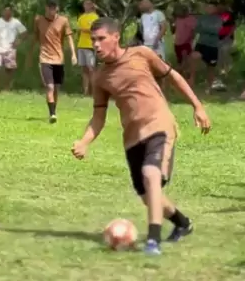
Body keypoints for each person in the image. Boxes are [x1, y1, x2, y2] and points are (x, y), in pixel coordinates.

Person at [71, 17, 211, 256]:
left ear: (116, 37)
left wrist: (197, 106)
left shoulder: (141, 54)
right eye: (93, 40)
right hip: (132, 138)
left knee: (151, 174)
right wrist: (84, 141)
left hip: (160, 126)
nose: (96, 45)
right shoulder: (100, 78)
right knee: (148, 196)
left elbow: (174, 77)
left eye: (101, 39)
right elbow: (98, 117)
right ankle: (183, 223)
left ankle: (153, 241)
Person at [29, 0, 77, 123]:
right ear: (46, 7)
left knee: (56, 88)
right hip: (45, 58)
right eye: (50, 7)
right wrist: (30, 53)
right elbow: (35, 37)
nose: (52, 10)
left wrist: (73, 54)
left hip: (58, 59)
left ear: (57, 8)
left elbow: (69, 38)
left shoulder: (63, 21)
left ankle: (53, 110)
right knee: (49, 87)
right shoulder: (38, 20)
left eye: (54, 7)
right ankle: (52, 114)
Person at [0, 4, 27, 91]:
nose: (7, 12)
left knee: (10, 68)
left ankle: (7, 88)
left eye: (9, 11)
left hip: (10, 49)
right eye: (5, 10)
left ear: (12, 12)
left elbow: (24, 33)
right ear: (2, 12)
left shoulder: (16, 22)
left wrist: (18, 41)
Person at [189, 2, 222, 91]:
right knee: (194, 57)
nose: (209, 9)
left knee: (211, 67)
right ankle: (191, 80)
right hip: (201, 43)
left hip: (213, 46)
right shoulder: (202, 18)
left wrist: (204, 29)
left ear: (215, 9)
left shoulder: (218, 19)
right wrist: (207, 29)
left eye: (211, 7)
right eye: (208, 7)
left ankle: (209, 87)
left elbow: (217, 31)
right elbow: (197, 29)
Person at [76, 0, 99, 95]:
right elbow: (78, 29)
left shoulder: (95, 17)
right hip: (81, 45)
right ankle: (85, 91)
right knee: (84, 69)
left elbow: (94, 30)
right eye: (85, 4)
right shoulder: (81, 17)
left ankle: (94, 91)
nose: (87, 6)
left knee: (91, 69)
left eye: (89, 4)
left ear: (92, 5)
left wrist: (84, 29)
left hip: (90, 45)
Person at [171, 5, 196, 73]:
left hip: (186, 42)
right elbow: (176, 28)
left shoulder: (191, 19)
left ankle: (183, 70)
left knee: (185, 57)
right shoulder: (178, 19)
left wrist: (190, 39)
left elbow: (193, 31)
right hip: (177, 42)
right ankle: (180, 68)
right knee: (179, 57)